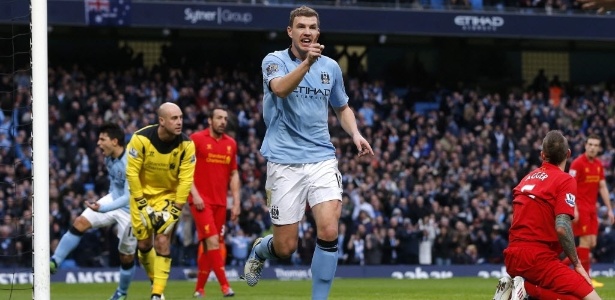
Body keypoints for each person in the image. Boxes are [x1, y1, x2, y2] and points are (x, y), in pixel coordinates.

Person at [242, 5, 374, 300]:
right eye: (301, 27)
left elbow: (342, 107)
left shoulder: (330, 67)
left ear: (318, 32)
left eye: (312, 27)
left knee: (329, 228)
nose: (307, 32)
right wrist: (306, 64)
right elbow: (280, 89)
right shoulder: (274, 61)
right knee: (285, 248)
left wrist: (355, 133)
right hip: (284, 162)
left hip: (322, 158)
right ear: (290, 31)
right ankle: (261, 250)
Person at [493, 130, 601, 300]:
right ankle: (526, 289)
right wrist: (577, 264)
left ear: (542, 155)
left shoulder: (526, 178)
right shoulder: (564, 179)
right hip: (538, 258)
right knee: (591, 298)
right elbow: (562, 228)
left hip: (513, 256)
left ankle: (521, 290)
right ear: (568, 154)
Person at [50, 123, 137, 300]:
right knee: (80, 222)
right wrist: (105, 206)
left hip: (132, 211)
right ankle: (54, 262)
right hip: (113, 199)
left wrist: (103, 208)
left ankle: (121, 293)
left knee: (126, 257)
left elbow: (128, 197)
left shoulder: (130, 161)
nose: (98, 143)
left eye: (102, 139)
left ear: (114, 141)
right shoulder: (108, 158)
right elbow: (115, 185)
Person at [126, 102, 196, 300]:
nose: (179, 122)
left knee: (163, 240)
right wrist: (142, 204)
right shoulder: (140, 139)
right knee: (144, 244)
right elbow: (131, 173)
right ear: (161, 121)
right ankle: (154, 280)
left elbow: (186, 180)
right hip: (141, 195)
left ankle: (157, 294)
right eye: (174, 118)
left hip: (167, 196)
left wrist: (176, 210)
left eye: (181, 117)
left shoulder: (187, 145)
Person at [189, 107, 240, 298]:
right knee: (212, 241)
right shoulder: (196, 139)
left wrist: (236, 202)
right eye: (219, 118)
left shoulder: (231, 144)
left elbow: (234, 173)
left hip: (220, 203)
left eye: (225, 119)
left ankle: (199, 289)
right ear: (210, 120)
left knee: (213, 244)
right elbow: (185, 169)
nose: (223, 122)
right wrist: (195, 195)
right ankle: (225, 286)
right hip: (201, 202)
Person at [567, 134, 615, 288]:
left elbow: (602, 187)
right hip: (580, 207)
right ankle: (586, 279)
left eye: (596, 145)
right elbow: (570, 185)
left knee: (592, 243)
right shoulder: (577, 163)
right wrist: (573, 207)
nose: (593, 147)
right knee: (586, 243)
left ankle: (557, 266)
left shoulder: (599, 165)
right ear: (585, 145)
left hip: (592, 208)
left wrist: (609, 209)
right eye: (591, 144)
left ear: (599, 148)